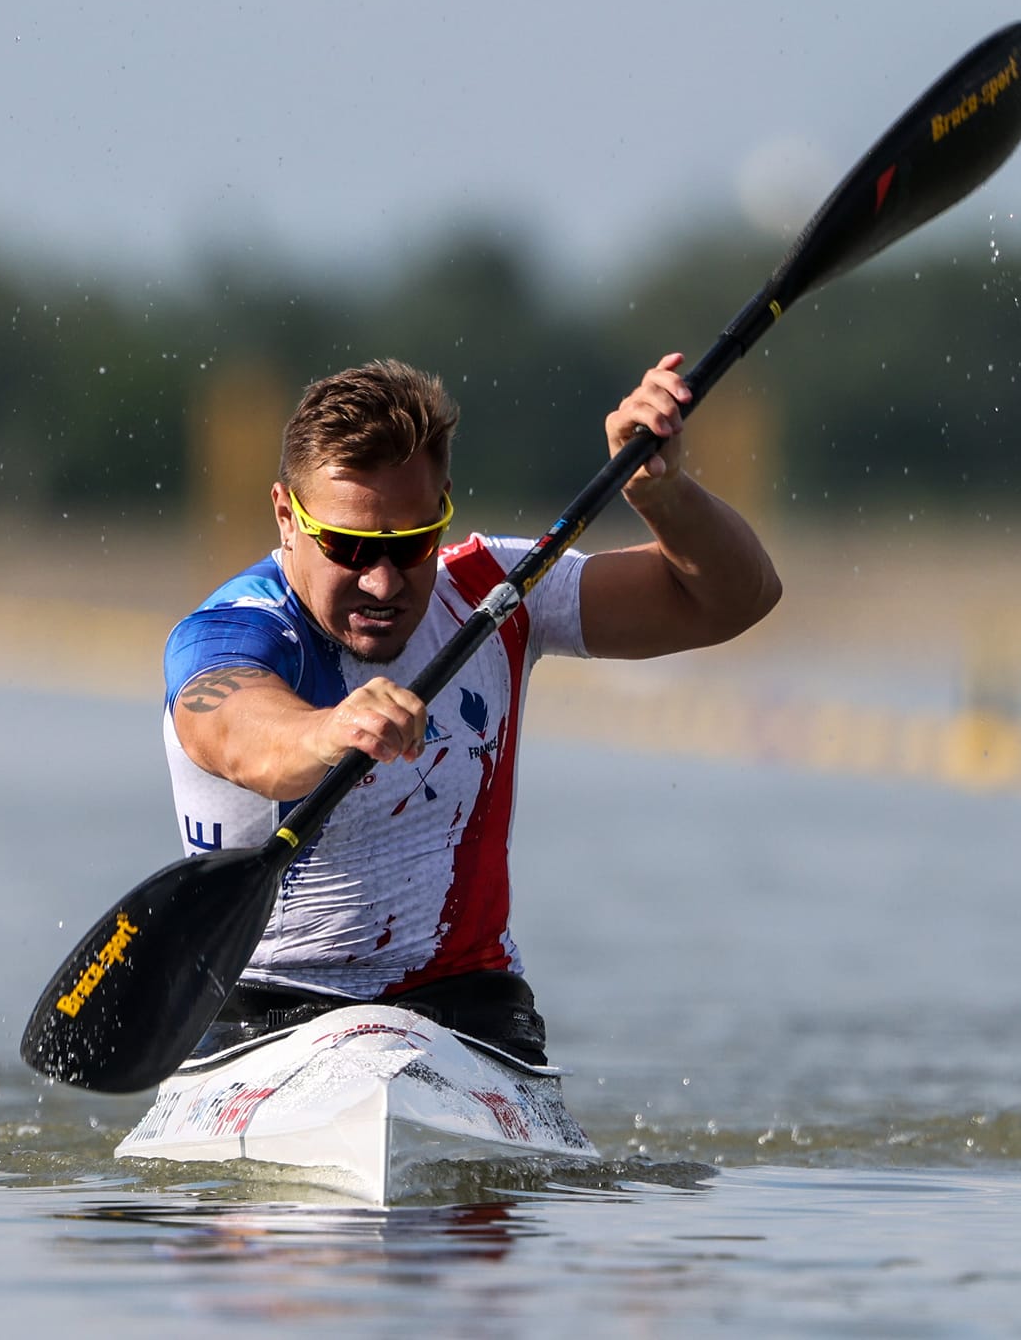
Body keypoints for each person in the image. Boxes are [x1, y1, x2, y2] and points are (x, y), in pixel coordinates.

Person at [163, 354, 780, 1066]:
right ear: (286, 516)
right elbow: (245, 740)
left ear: (444, 506)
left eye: (411, 544)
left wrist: (662, 495)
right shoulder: (231, 632)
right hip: (264, 1012)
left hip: (470, 1011)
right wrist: (330, 728)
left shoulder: (494, 591)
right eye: (350, 546)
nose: (382, 581)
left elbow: (738, 597)